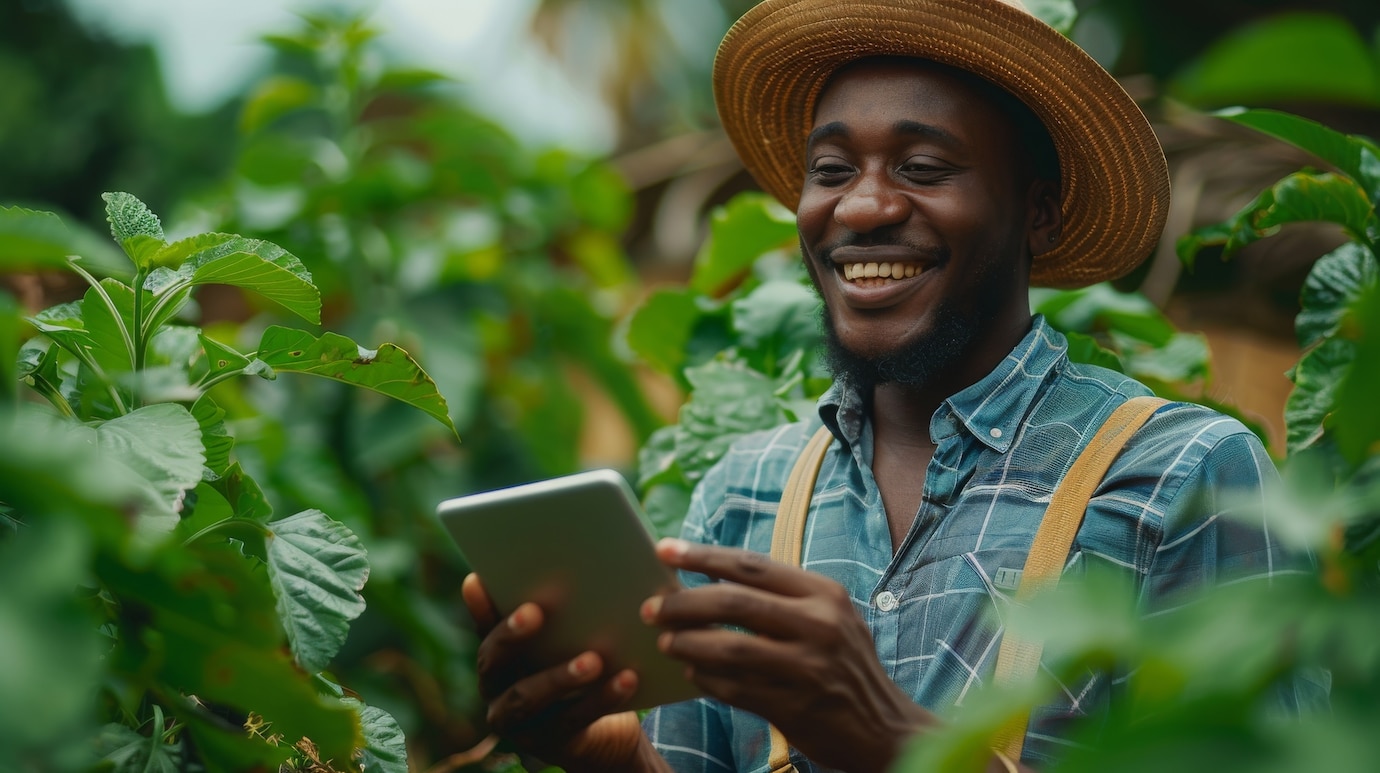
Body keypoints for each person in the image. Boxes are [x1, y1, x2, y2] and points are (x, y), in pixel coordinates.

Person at [461, 0, 1315, 770]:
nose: (861, 208)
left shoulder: (1189, 479)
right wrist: (602, 755)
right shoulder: (746, 496)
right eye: (831, 170)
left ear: (1040, 212)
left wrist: (890, 741)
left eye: (923, 167)